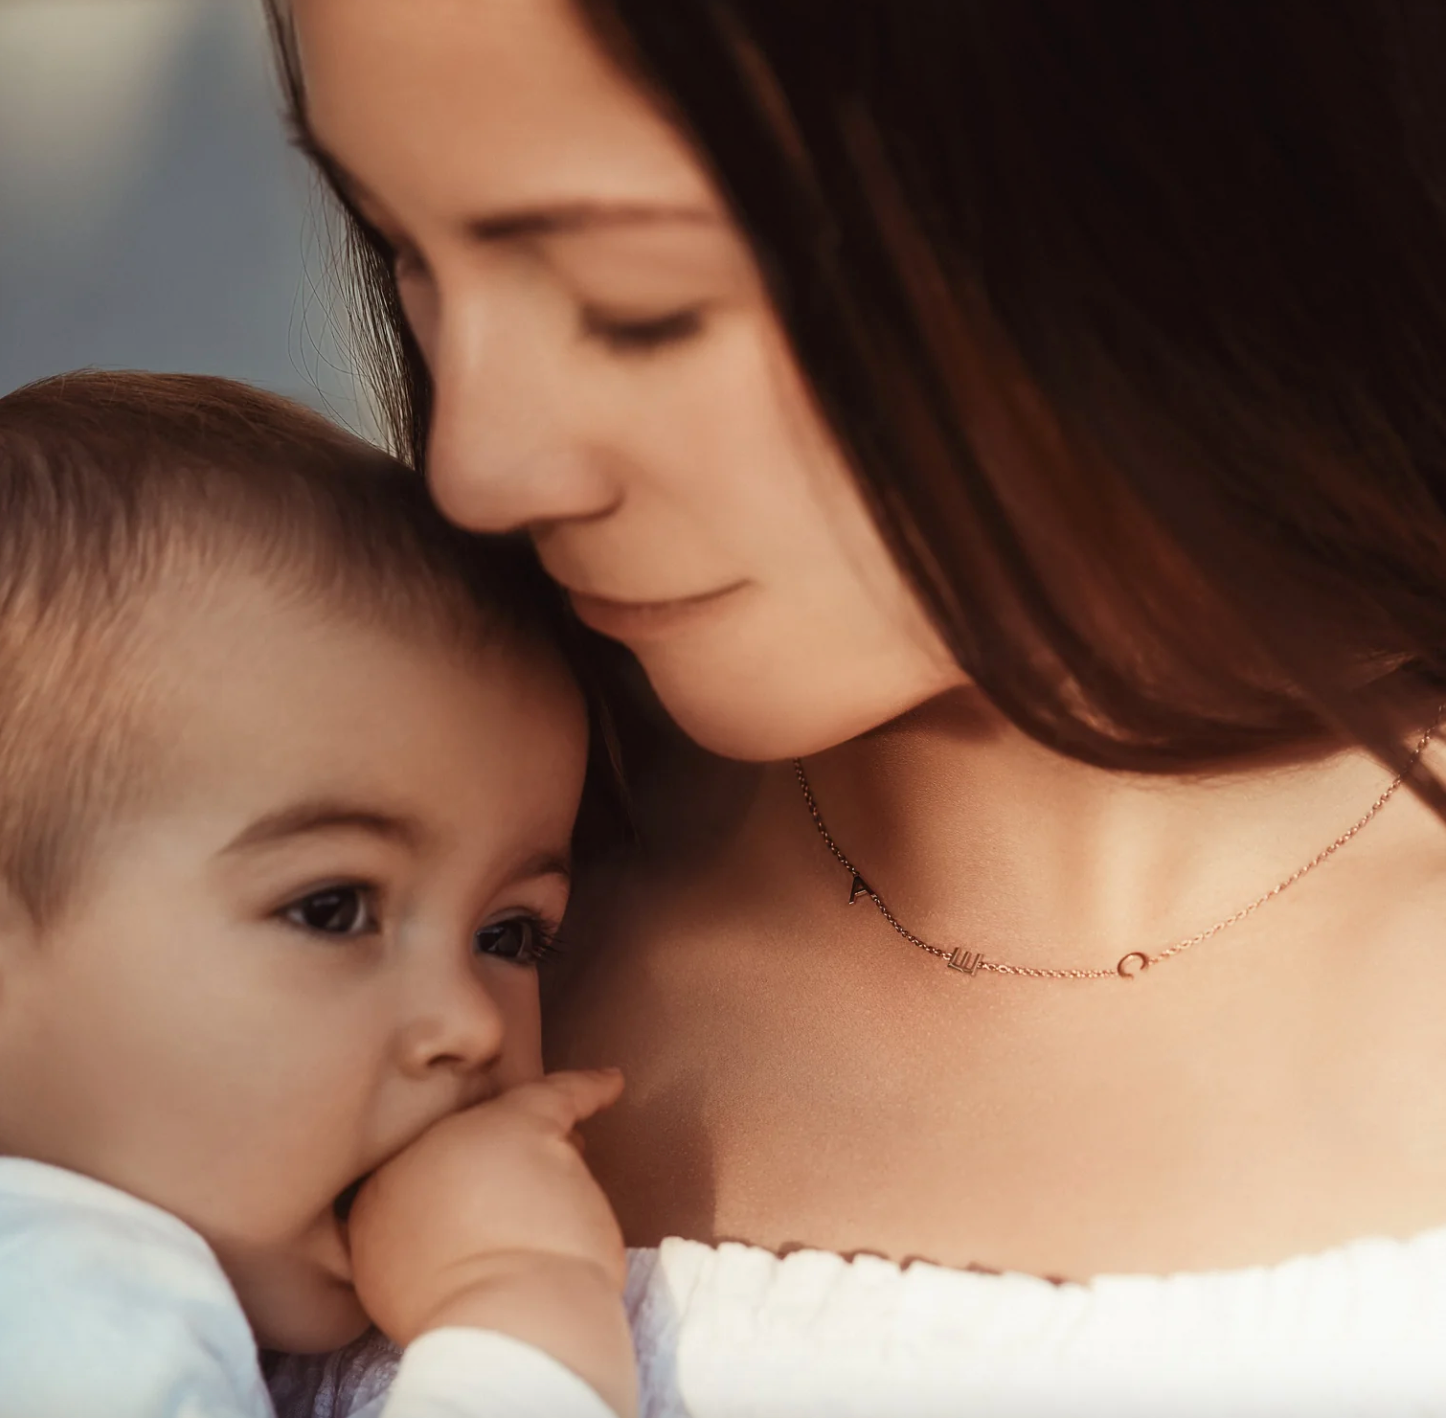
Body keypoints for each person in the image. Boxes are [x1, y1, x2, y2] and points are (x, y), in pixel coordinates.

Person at [272, 2, 1446, 1412]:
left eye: (635, 305)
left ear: (1148, 181)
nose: (478, 466)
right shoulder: (299, 934)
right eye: (403, 247)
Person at [0, 371, 637, 1418]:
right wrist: (521, 1307)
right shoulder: (76, 1316)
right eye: (333, 907)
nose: (472, 1023)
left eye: (512, 933)